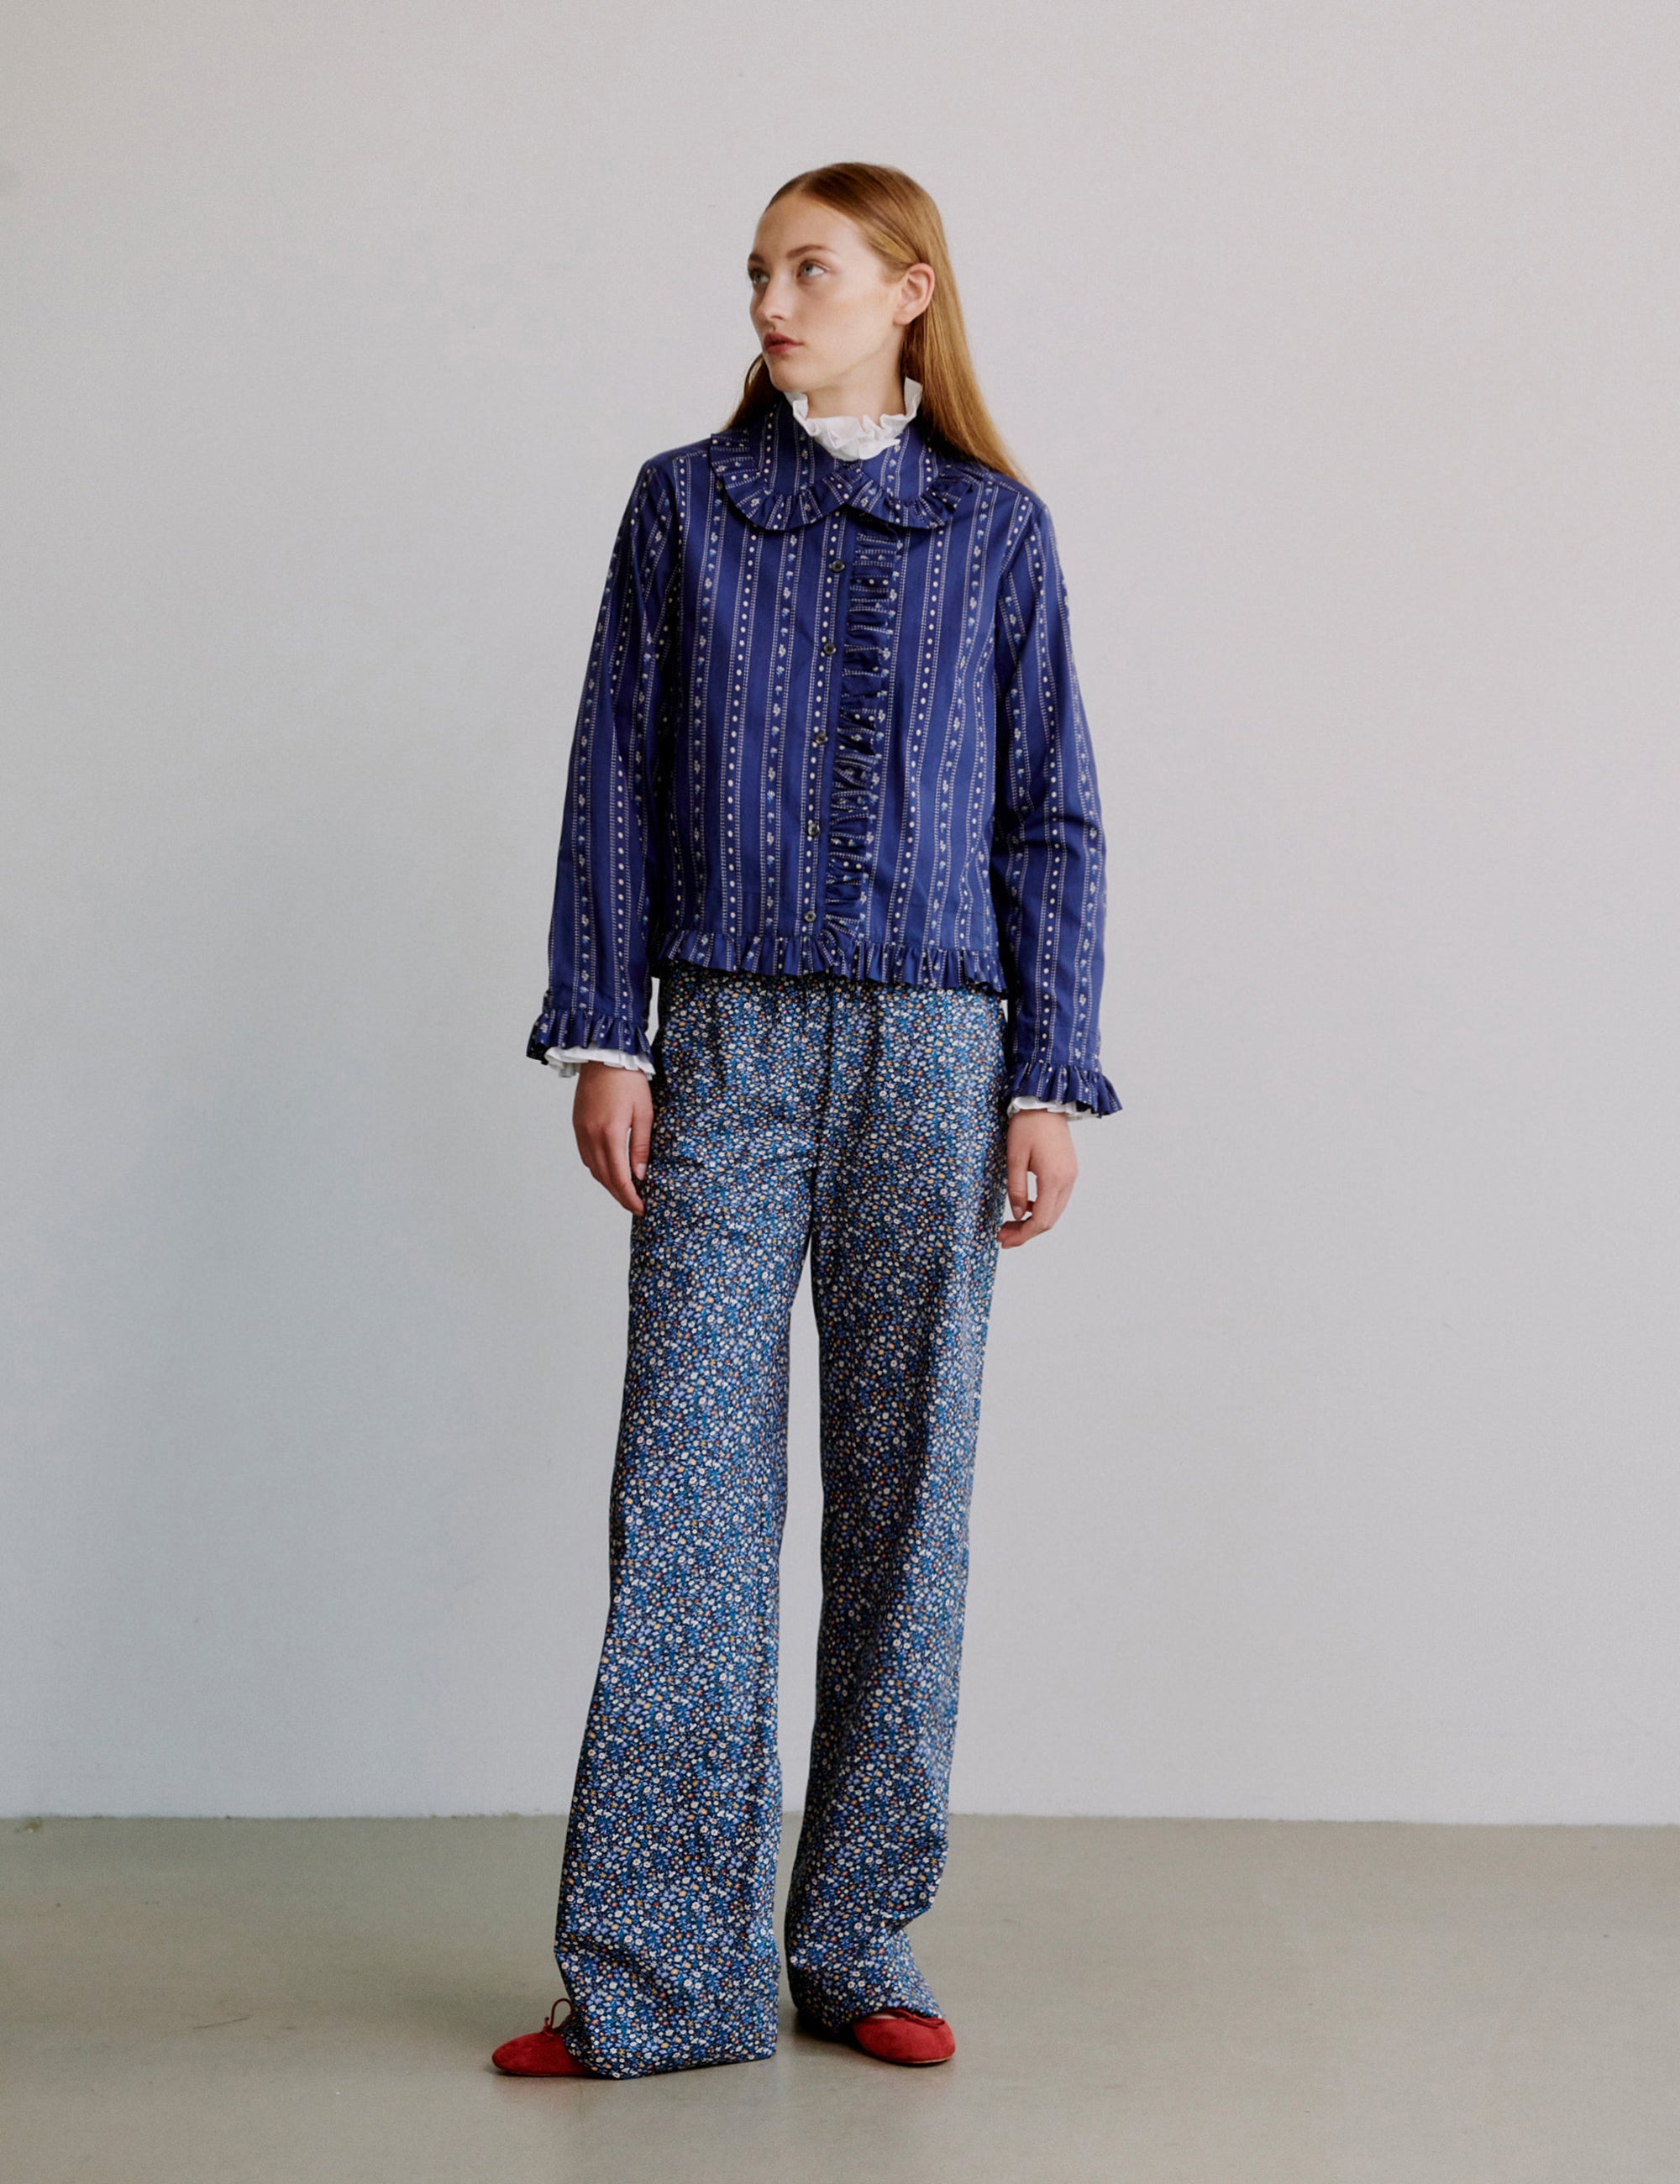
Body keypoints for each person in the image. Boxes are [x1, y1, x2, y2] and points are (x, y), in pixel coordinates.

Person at [492, 160, 1120, 2083]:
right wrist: (612, 1032)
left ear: (908, 288)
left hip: (941, 1053)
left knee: (905, 1498)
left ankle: (855, 1935)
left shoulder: (998, 535)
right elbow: (614, 771)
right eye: (761, 270)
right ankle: (656, 1978)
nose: (772, 298)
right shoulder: (681, 511)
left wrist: (1045, 1075)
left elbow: (1050, 815)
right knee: (687, 1499)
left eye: (811, 267)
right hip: (730, 1041)